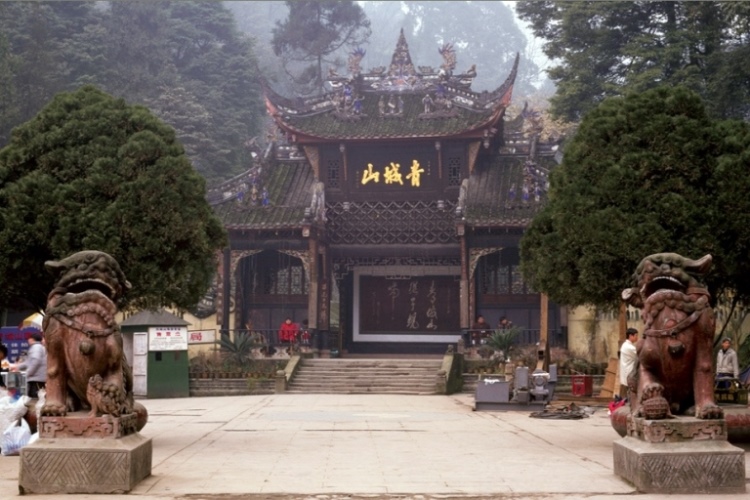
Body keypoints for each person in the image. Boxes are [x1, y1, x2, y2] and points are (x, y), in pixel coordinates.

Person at [12, 332, 47, 398]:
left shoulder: (36, 347)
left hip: (37, 378)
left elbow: (36, 361)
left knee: (35, 398)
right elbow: (28, 362)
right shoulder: (38, 347)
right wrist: (17, 366)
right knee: (34, 397)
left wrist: (28, 372)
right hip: (37, 378)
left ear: (31, 339)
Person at [619, 328, 638, 398]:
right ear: (630, 336)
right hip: (629, 373)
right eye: (636, 335)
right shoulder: (629, 347)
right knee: (631, 393)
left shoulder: (626, 345)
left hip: (627, 372)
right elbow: (640, 355)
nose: (637, 337)